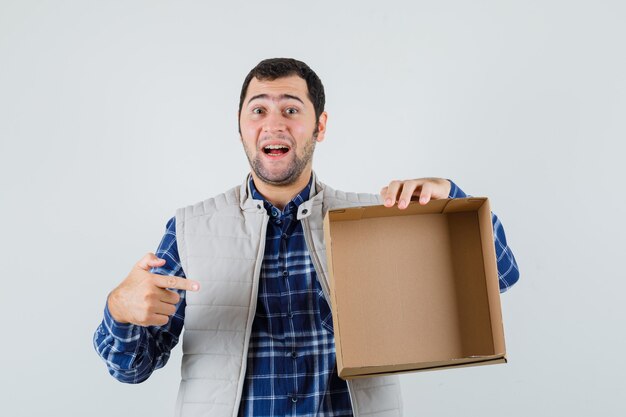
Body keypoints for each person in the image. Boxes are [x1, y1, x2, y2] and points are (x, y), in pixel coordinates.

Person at [93, 58, 520, 417]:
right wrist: (120, 309)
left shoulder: (374, 221)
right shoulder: (190, 229)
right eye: (258, 110)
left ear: (320, 125)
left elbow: (500, 275)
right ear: (239, 126)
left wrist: (452, 203)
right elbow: (132, 369)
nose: (273, 124)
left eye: (292, 110)